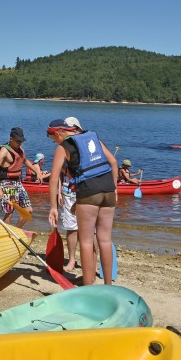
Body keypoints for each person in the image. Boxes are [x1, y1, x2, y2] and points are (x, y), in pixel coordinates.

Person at [46, 116, 118, 286]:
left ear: (57, 133)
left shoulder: (63, 147)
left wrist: (53, 208)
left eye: (51, 137)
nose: (52, 141)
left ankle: (88, 287)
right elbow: (113, 162)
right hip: (108, 190)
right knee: (105, 239)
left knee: (85, 241)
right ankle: (108, 285)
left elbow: (53, 179)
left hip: (88, 192)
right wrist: (115, 188)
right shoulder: (92, 138)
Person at [0, 127, 38, 228]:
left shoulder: (20, 150)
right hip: (7, 183)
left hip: (18, 182)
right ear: (11, 138)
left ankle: (16, 231)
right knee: (10, 212)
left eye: (21, 141)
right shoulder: (4, 151)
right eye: (18, 141)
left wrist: (37, 171)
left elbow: (24, 161)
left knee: (28, 210)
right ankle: (5, 232)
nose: (20, 143)